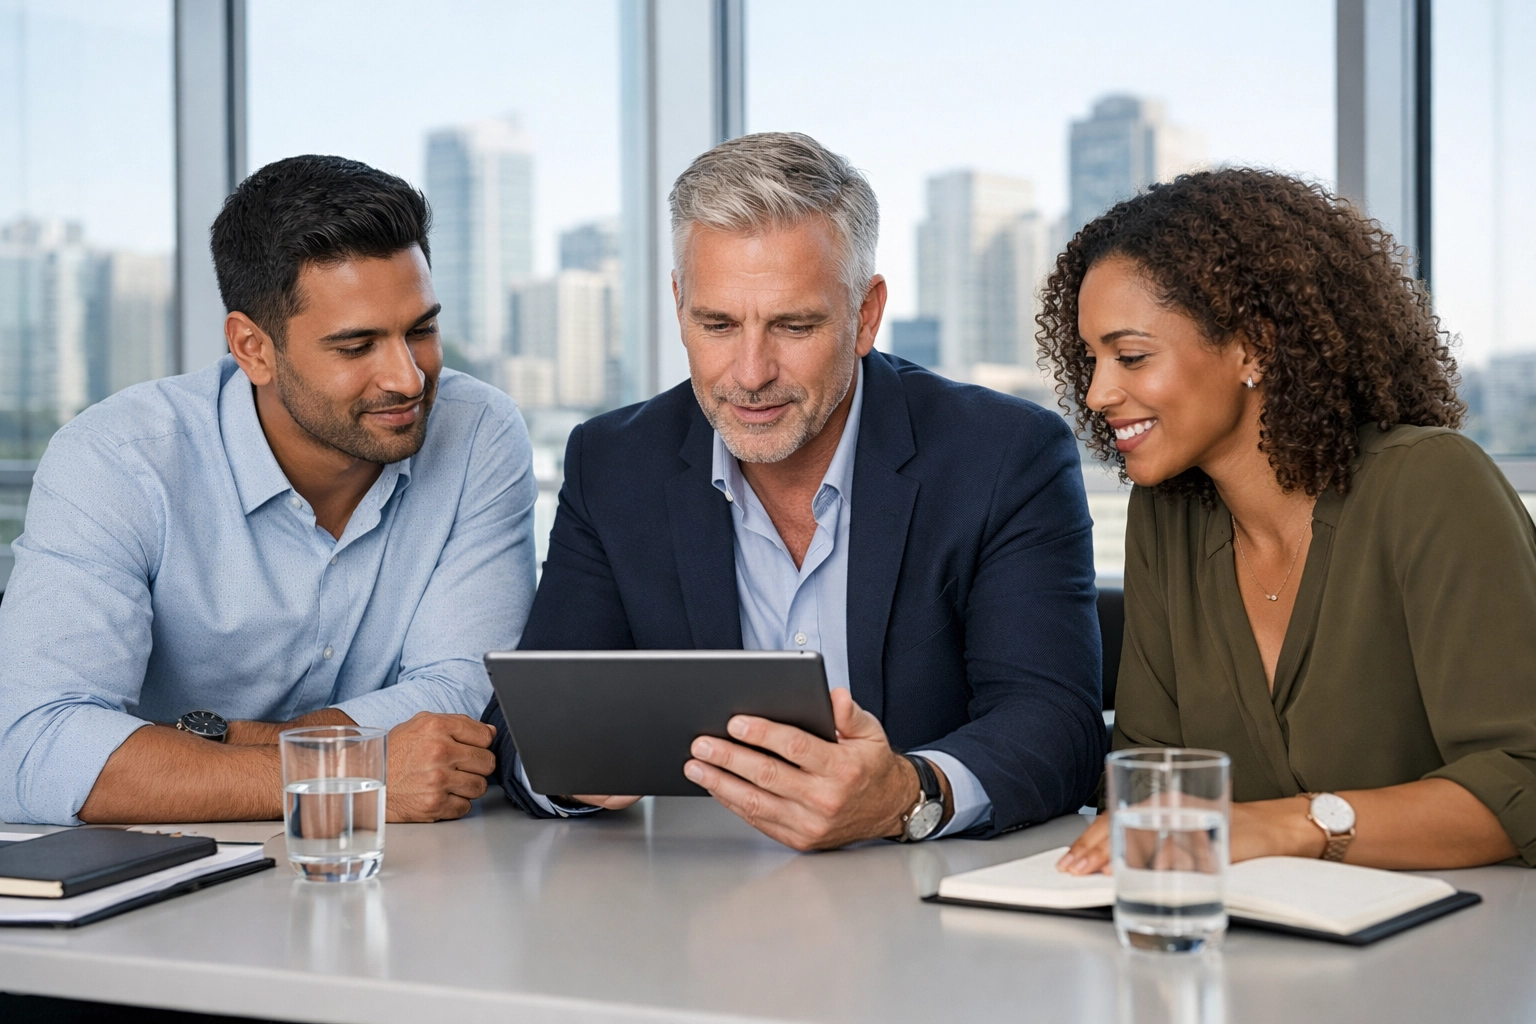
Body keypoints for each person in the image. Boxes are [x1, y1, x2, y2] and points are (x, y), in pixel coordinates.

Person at [483, 132, 1106, 850]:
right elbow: (530, 722)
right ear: (679, 303)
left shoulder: (1002, 455)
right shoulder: (614, 462)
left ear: (865, 315)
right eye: (716, 324)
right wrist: (567, 771)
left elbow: (1054, 724)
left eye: (794, 325)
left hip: (922, 901)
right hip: (686, 903)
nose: (750, 373)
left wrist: (908, 794)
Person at [0, 155, 535, 827]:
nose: (406, 378)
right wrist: (344, 770)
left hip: (403, 866)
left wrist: (219, 746)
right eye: (356, 345)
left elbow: (466, 692)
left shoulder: (478, 432)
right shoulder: (117, 458)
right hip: (168, 872)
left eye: (420, 330)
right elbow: (34, 747)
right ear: (252, 349)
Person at [1042, 168, 1536, 873]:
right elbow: (1148, 776)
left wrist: (1289, 826)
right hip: (1252, 949)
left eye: (1131, 356)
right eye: (1090, 359)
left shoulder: (1430, 483)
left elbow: (1525, 777)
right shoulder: (1167, 515)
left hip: (1459, 950)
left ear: (1253, 346)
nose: (1096, 392)